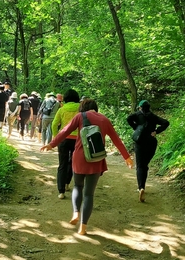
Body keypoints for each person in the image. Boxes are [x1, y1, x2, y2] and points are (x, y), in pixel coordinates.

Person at [41, 98, 133, 236]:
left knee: (78, 186)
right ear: (96, 108)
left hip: (79, 157)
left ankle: (76, 212)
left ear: (83, 107)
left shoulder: (80, 116)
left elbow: (65, 131)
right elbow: (116, 140)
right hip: (96, 158)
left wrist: (52, 144)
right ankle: (83, 228)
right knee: (89, 194)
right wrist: (127, 157)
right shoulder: (104, 120)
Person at [127, 99, 171, 201]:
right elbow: (166, 122)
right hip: (151, 143)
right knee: (145, 165)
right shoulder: (153, 116)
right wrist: (156, 131)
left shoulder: (137, 115)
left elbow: (128, 118)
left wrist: (136, 127)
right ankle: (143, 187)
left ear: (140, 107)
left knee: (140, 166)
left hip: (140, 143)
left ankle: (141, 188)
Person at [50, 90, 81, 198]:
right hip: (77, 140)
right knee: (72, 163)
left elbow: (54, 124)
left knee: (62, 164)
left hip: (63, 139)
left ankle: (61, 191)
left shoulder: (62, 109)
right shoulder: (80, 109)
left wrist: (56, 137)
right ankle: (67, 183)